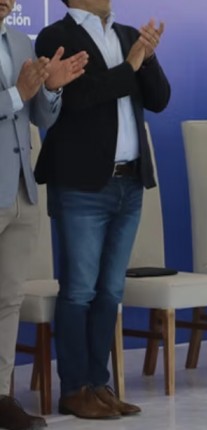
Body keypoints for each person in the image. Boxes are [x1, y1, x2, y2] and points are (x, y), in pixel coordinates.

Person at [35, 0, 171, 419]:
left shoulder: (129, 35)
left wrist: (147, 59)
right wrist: (130, 66)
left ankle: (99, 383)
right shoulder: (56, 36)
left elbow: (160, 99)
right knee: (79, 290)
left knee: (110, 291)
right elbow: (81, 98)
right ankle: (74, 388)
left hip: (130, 182)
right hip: (81, 186)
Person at [0, 0, 88, 427]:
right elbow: (17, 98)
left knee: (8, 299)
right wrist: (17, 92)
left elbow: (40, 117)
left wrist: (51, 89)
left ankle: (1, 396)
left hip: (21, 189)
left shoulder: (20, 41)